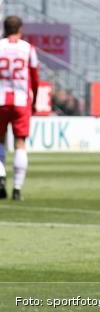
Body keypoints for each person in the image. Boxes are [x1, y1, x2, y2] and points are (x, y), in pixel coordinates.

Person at [0, 15, 40, 201]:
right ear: (20, 29)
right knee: (20, 143)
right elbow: (35, 78)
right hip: (21, 101)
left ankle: (1, 175)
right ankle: (17, 188)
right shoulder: (28, 48)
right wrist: (34, 101)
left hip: (0, 100)